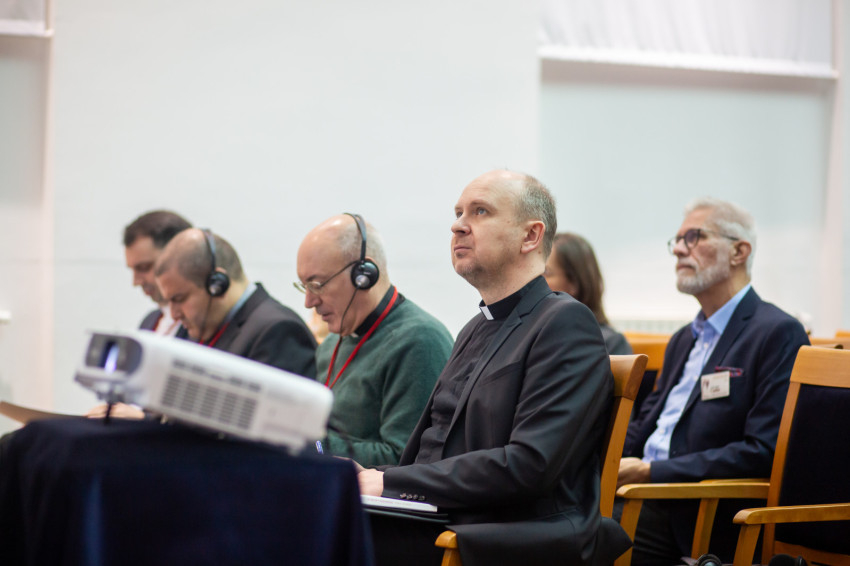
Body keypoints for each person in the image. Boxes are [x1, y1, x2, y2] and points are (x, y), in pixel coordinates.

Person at [357, 170, 629, 566]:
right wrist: (365, 475)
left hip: (503, 534)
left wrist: (388, 481)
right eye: (458, 213)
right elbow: (432, 455)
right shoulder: (475, 327)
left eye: (480, 211)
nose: (458, 226)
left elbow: (530, 464)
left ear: (530, 236)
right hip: (443, 517)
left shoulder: (564, 323)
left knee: (318, 528)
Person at [618, 198, 810, 564]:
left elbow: (761, 451)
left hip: (694, 510)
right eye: (677, 240)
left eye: (694, 237)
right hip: (638, 490)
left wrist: (651, 471)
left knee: (571, 536)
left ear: (739, 251)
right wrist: (601, 460)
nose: (679, 249)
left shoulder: (777, 333)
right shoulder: (683, 339)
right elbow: (645, 425)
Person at [296, 214, 453, 467]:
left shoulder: (420, 342)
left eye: (317, 284)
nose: (309, 302)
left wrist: (311, 443)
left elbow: (406, 459)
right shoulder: (332, 343)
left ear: (364, 275)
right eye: (303, 286)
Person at [154, 228, 317, 377]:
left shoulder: (278, 331)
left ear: (216, 285)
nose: (174, 314)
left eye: (179, 299)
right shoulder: (199, 330)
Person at [544, 232, 631, 355]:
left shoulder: (610, 344)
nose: (535, 280)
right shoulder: (535, 337)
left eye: (546, 273)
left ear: (575, 283)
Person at [123, 210, 192, 335]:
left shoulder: (202, 324)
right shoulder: (149, 322)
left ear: (182, 258)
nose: (136, 282)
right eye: (133, 269)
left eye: (144, 267)